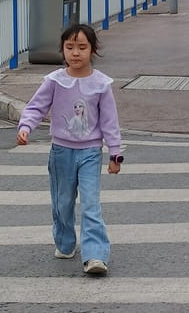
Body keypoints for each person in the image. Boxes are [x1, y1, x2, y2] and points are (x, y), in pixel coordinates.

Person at [17, 23, 124, 277]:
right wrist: (25, 127)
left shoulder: (101, 84)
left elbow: (110, 121)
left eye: (82, 47)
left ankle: (95, 254)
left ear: (92, 50)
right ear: (62, 50)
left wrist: (115, 153)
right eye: (69, 47)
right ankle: (65, 243)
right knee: (62, 203)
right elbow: (36, 107)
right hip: (61, 151)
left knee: (90, 204)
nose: (75, 53)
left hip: (90, 152)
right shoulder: (55, 81)